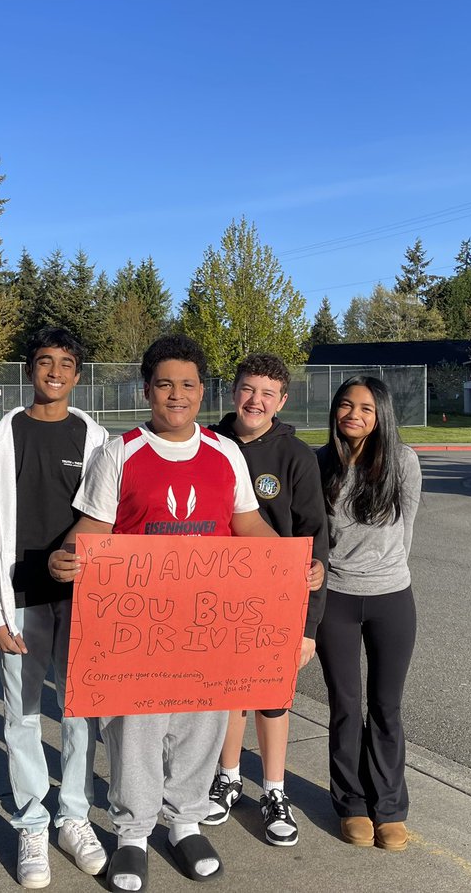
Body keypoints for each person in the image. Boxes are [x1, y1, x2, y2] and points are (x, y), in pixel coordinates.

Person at [48, 335, 323, 893]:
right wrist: (64, 558)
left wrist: (289, 567)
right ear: (147, 388)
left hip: (207, 624)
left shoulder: (224, 454)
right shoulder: (120, 452)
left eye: (189, 385)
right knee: (138, 731)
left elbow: (248, 525)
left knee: (201, 725)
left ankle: (186, 822)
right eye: (166, 383)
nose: (177, 394)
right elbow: (95, 530)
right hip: (138, 626)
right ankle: (131, 833)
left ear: (203, 392)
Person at [0, 327, 110, 889]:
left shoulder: (100, 441)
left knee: (80, 716)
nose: (54, 371)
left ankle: (73, 817)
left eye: (66, 364)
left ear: (78, 376)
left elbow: (109, 525)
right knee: (23, 718)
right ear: (30, 368)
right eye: (44, 361)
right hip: (21, 599)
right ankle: (32, 822)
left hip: (83, 604)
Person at [202, 353, 328, 847]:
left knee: (271, 697)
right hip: (214, 595)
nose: (256, 400)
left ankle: (275, 791)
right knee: (224, 693)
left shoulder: (295, 457)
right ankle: (228, 778)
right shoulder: (207, 443)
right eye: (248, 389)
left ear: (282, 400)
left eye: (267, 393)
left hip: (274, 601)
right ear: (233, 391)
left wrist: (307, 626)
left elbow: (314, 542)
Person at [316, 375, 422, 852]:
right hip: (335, 598)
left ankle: (390, 808)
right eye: (345, 405)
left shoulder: (403, 462)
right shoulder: (320, 463)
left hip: (391, 599)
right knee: (345, 707)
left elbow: (408, 530)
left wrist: (386, 573)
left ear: (381, 414)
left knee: (386, 708)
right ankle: (352, 804)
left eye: (365, 407)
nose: (353, 415)